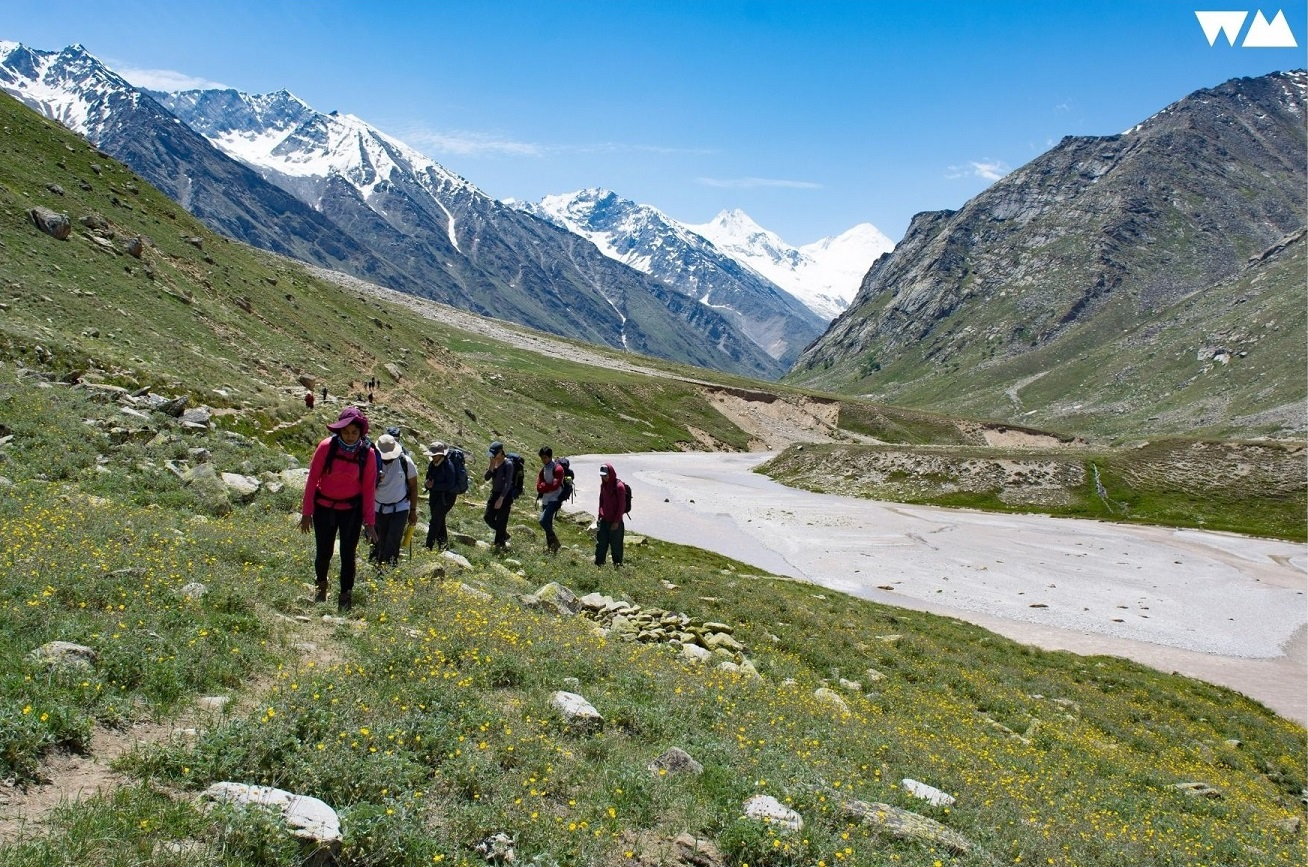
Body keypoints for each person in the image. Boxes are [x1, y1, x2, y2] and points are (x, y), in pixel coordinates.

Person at [300, 406, 378, 611]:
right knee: (323, 551)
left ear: (361, 432)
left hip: (351, 511)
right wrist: (306, 513)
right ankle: (321, 585)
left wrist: (370, 523)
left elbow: (368, 490)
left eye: (354, 432)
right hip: (324, 508)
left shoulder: (367, 454)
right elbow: (312, 480)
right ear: (339, 431)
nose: (350, 436)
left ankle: (345, 594)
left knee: (348, 554)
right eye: (346, 432)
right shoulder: (326, 447)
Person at [370, 433, 418, 568]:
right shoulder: (372, 462)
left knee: (393, 540)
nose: (387, 460)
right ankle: (377, 566)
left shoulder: (406, 462)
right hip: (377, 508)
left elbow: (414, 488)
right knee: (378, 540)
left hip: (400, 508)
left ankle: (388, 568)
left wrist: (413, 511)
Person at [423, 441, 459, 550]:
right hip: (435, 496)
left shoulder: (448, 466)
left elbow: (450, 484)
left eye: (434, 455)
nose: (432, 457)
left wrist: (434, 486)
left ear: (441, 454)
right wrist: (427, 484)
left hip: (447, 498)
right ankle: (443, 544)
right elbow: (428, 478)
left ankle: (428, 546)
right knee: (439, 519)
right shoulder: (432, 464)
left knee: (435, 520)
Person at [483, 440, 515, 550]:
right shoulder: (494, 462)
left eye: (495, 454)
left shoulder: (508, 464)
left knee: (502, 520)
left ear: (501, 452)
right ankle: (503, 534)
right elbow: (486, 477)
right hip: (494, 493)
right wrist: (491, 465)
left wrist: (501, 499)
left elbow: (507, 483)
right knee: (488, 517)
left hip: (505, 496)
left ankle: (500, 545)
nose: (493, 456)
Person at [595, 462, 628, 568]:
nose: (604, 478)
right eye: (602, 476)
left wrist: (616, 522)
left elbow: (622, 506)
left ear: (611, 473)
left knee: (616, 546)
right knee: (601, 544)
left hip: (615, 522)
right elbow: (601, 501)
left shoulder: (619, 487)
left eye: (605, 475)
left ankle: (617, 566)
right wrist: (599, 516)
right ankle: (599, 564)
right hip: (604, 520)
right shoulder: (603, 486)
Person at [535, 446, 564, 554]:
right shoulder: (544, 469)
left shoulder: (558, 469)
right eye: (542, 458)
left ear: (550, 457)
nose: (543, 460)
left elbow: (555, 486)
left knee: (542, 521)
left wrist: (544, 487)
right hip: (546, 499)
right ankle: (551, 548)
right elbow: (538, 486)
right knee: (548, 523)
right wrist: (546, 487)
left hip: (555, 499)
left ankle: (555, 541)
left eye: (545, 458)